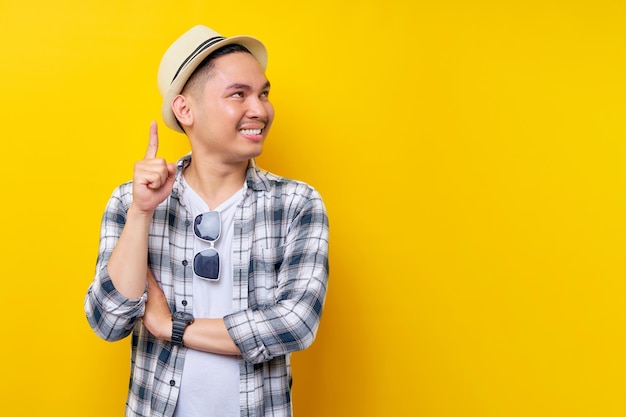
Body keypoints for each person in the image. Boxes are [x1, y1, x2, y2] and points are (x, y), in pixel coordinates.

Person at [84, 24, 329, 417]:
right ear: (186, 110)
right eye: (239, 94)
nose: (260, 110)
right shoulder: (132, 202)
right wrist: (142, 213)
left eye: (263, 94)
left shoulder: (296, 204)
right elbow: (108, 321)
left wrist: (172, 328)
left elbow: (295, 323)